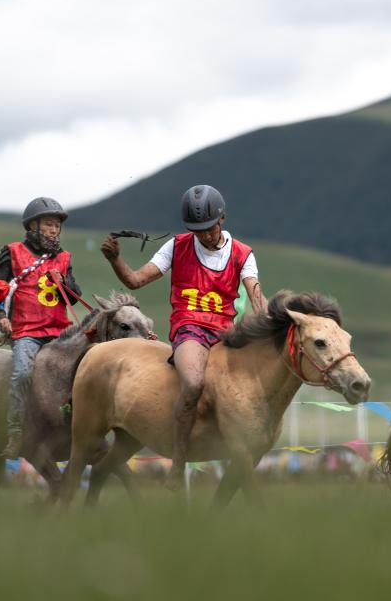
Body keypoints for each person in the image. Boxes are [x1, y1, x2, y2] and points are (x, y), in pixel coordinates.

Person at [100, 185, 267, 490]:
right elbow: (136, 281)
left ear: (222, 219)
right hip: (189, 328)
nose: (204, 235)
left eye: (209, 228)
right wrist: (115, 260)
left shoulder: (244, 254)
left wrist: (268, 321)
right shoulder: (176, 247)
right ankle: (177, 464)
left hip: (225, 334)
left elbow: (256, 295)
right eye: (197, 230)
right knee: (193, 383)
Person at [0, 197, 80, 459]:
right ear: (33, 226)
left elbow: (74, 296)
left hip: (60, 332)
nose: (54, 230)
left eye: (57, 226)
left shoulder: (64, 258)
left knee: (83, 373)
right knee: (22, 375)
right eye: (49, 224)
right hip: (27, 331)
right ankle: (16, 431)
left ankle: (75, 427)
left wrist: (65, 283)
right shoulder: (13, 251)